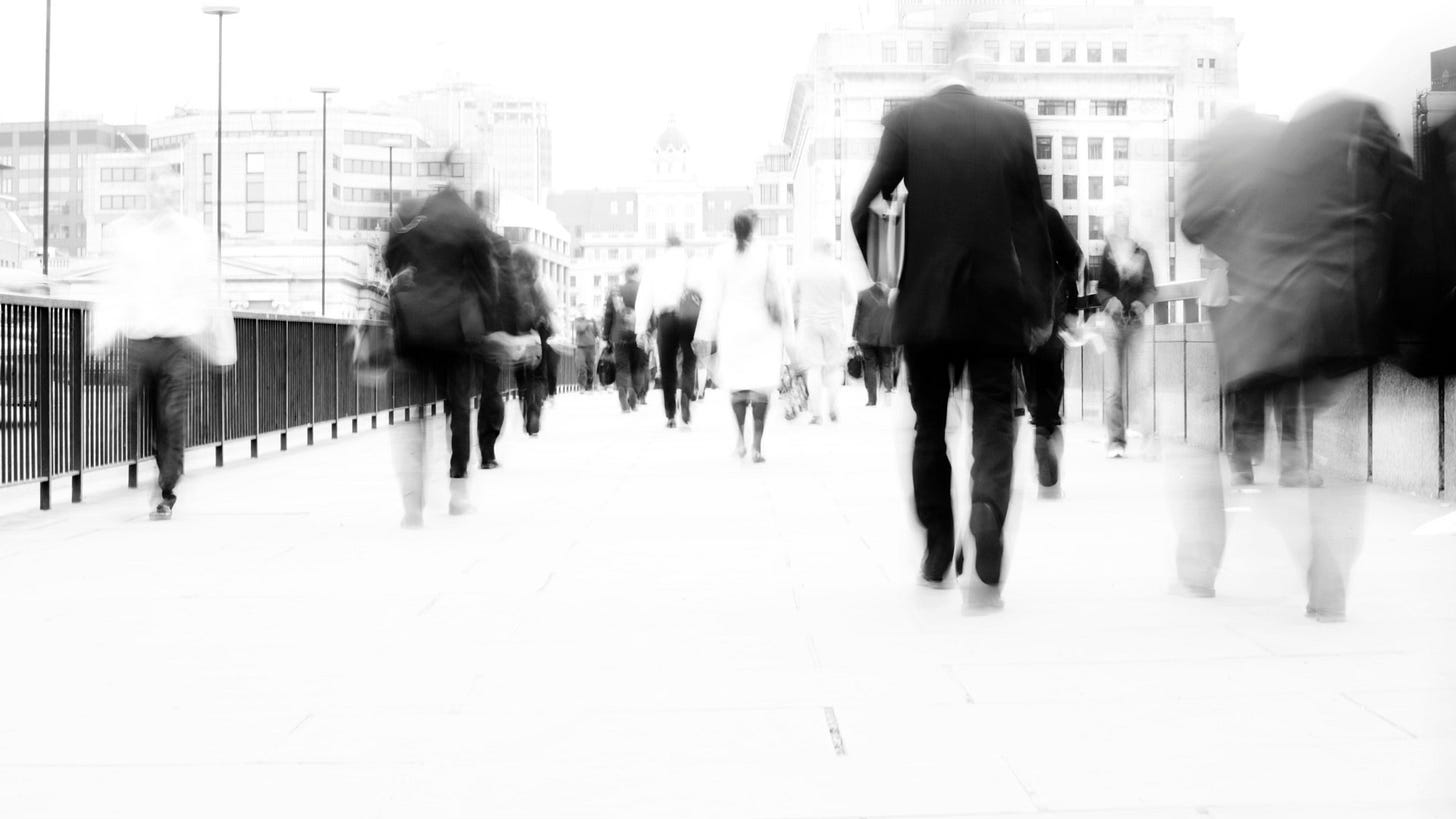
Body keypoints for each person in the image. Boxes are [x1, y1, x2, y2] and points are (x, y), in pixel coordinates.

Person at [1176, 97, 1413, 621]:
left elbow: (1195, 220)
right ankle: (1328, 578)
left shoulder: (1244, 149)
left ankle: (1199, 566)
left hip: (1265, 313)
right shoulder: (1337, 148)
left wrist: (1246, 248)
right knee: (1333, 443)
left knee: (1215, 436)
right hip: (1342, 312)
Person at [850, 36, 1055, 613]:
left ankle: (938, 547)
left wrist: (885, 275)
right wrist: (1039, 305)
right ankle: (987, 507)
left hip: (927, 304)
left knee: (929, 427)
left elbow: (865, 207)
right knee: (994, 414)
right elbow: (1032, 223)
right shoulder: (1011, 124)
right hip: (995, 303)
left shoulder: (907, 122)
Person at [89, 160, 237, 521]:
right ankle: (161, 469)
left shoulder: (192, 235)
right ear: (150, 191)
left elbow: (210, 288)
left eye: (172, 190)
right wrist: (101, 334)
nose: (166, 196)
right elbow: (117, 286)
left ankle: (167, 489)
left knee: (171, 415)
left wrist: (222, 345)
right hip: (140, 342)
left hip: (178, 343)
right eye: (160, 189)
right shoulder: (131, 235)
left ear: (177, 194)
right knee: (144, 416)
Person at [383, 181, 501, 526]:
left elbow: (391, 254)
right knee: (459, 408)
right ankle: (458, 492)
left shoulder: (418, 219)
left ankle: (412, 503)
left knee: (413, 411)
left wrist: (408, 276)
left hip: (415, 326)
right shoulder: (470, 223)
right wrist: (488, 325)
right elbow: (487, 281)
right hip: (457, 329)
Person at [695, 210, 794, 462]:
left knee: (738, 385)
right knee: (760, 386)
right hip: (763, 327)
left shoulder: (721, 254)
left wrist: (704, 332)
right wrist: (788, 331)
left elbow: (712, 297)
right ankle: (757, 446)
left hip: (732, 327)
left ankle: (740, 440)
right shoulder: (767, 251)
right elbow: (781, 292)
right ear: (754, 228)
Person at [1022, 204, 1085, 498]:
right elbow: (1075, 259)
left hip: (1016, 319)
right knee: (1050, 378)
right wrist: (1071, 307)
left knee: (1030, 377)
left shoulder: (996, 209)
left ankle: (1039, 423)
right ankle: (1044, 430)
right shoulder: (1047, 213)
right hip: (1050, 314)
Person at [1095, 199, 1157, 459]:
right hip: (1113, 326)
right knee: (1113, 387)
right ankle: (1116, 441)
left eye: (1126, 217)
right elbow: (1101, 288)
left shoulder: (1141, 253)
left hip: (1135, 325)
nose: (1123, 222)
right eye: (1119, 217)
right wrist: (1110, 300)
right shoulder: (1109, 252)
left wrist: (1143, 303)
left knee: (1142, 383)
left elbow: (1151, 288)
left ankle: (1149, 439)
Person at [794, 239, 860, 424]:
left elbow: (792, 297)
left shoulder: (803, 269)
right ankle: (832, 408)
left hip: (809, 324)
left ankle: (816, 414)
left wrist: (802, 311)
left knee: (814, 368)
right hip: (833, 324)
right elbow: (852, 299)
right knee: (833, 368)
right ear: (829, 249)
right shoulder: (839, 269)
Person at [635, 234, 697, 429]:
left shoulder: (655, 265)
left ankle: (670, 414)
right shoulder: (691, 263)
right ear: (681, 246)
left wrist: (640, 328)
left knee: (668, 366)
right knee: (689, 361)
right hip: (689, 317)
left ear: (666, 246)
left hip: (666, 318)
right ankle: (686, 394)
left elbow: (644, 297)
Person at [510, 247, 554, 436]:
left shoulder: (510, 283)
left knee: (522, 376)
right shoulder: (538, 282)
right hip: (538, 333)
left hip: (517, 335)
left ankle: (527, 409)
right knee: (539, 374)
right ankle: (536, 408)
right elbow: (549, 306)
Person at [603, 264, 648, 412]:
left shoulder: (616, 291)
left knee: (622, 367)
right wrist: (651, 330)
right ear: (636, 273)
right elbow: (650, 312)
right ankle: (633, 396)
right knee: (638, 367)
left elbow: (608, 315)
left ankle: (622, 392)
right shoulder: (643, 289)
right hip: (639, 334)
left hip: (619, 336)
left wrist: (606, 335)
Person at [852, 279, 896, 406]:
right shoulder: (890, 295)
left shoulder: (862, 294)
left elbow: (857, 316)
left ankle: (872, 400)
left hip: (866, 337)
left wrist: (853, 334)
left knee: (869, 366)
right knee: (886, 365)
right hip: (885, 337)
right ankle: (888, 396)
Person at [572, 309, 600, 391]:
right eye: (582, 309)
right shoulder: (577, 320)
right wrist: (587, 320)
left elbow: (597, 332)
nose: (583, 311)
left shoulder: (592, 320)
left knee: (590, 367)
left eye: (585, 308)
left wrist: (597, 336)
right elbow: (580, 328)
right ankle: (581, 385)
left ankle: (589, 385)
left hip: (591, 346)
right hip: (580, 347)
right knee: (581, 366)